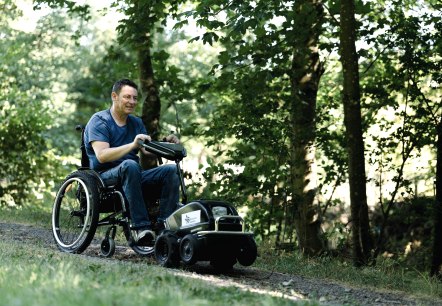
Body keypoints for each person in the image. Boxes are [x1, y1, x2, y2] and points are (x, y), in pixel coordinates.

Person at [84, 78, 180, 246]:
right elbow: (102, 156)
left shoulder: (136, 122)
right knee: (130, 165)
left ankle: (165, 227)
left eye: (135, 98)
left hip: (133, 174)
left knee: (171, 170)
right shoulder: (99, 121)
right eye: (127, 97)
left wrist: (166, 143)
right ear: (114, 96)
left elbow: (146, 150)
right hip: (104, 177)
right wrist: (132, 145)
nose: (132, 102)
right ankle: (141, 227)